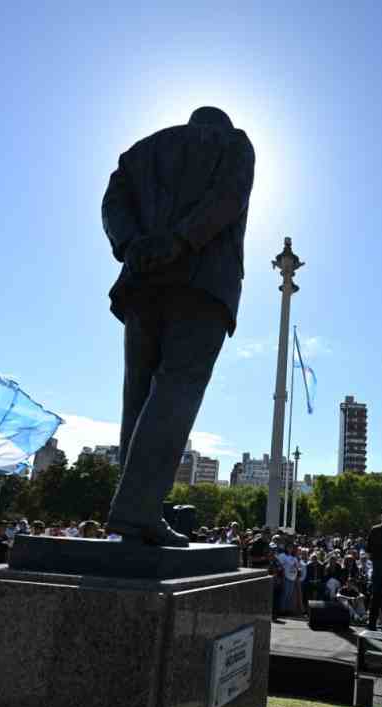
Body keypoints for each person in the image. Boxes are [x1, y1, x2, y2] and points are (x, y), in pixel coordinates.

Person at [101, 107, 255, 547]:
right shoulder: (235, 143)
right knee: (177, 389)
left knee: (137, 396)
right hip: (202, 280)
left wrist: (132, 244)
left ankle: (134, 506)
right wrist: (181, 239)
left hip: (141, 280)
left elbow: (112, 206)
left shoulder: (140, 152)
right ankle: (137, 509)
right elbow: (229, 197)